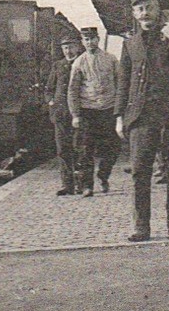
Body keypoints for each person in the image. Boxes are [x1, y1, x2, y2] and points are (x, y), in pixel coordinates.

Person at [115, 0, 169, 241]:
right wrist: (119, 116)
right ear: (134, 14)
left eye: (149, 7)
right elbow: (124, 82)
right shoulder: (130, 44)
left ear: (158, 9)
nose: (145, 13)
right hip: (142, 117)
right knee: (140, 171)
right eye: (140, 9)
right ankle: (141, 227)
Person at [67, 26, 119, 196]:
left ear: (98, 39)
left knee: (112, 147)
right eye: (86, 40)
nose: (90, 42)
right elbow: (72, 90)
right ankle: (87, 185)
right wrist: (75, 114)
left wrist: (120, 110)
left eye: (92, 39)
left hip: (108, 109)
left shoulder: (111, 60)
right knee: (85, 150)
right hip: (88, 111)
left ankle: (103, 175)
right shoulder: (79, 63)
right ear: (83, 42)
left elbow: (120, 85)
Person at [48, 31, 84, 196]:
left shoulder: (83, 62)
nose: (68, 51)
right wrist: (50, 101)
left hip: (79, 113)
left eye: (71, 47)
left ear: (78, 47)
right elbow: (49, 88)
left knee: (79, 148)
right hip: (61, 114)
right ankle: (67, 185)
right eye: (65, 47)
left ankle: (81, 184)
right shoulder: (57, 65)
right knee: (63, 150)